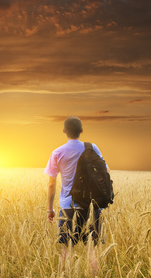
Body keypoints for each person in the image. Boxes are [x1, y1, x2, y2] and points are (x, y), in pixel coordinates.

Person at [44, 116, 110, 273]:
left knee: (66, 249)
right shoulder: (92, 148)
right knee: (92, 250)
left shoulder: (57, 152)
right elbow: (106, 171)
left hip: (68, 206)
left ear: (64, 131)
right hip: (92, 206)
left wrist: (49, 209)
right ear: (81, 130)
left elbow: (51, 183)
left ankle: (64, 276)